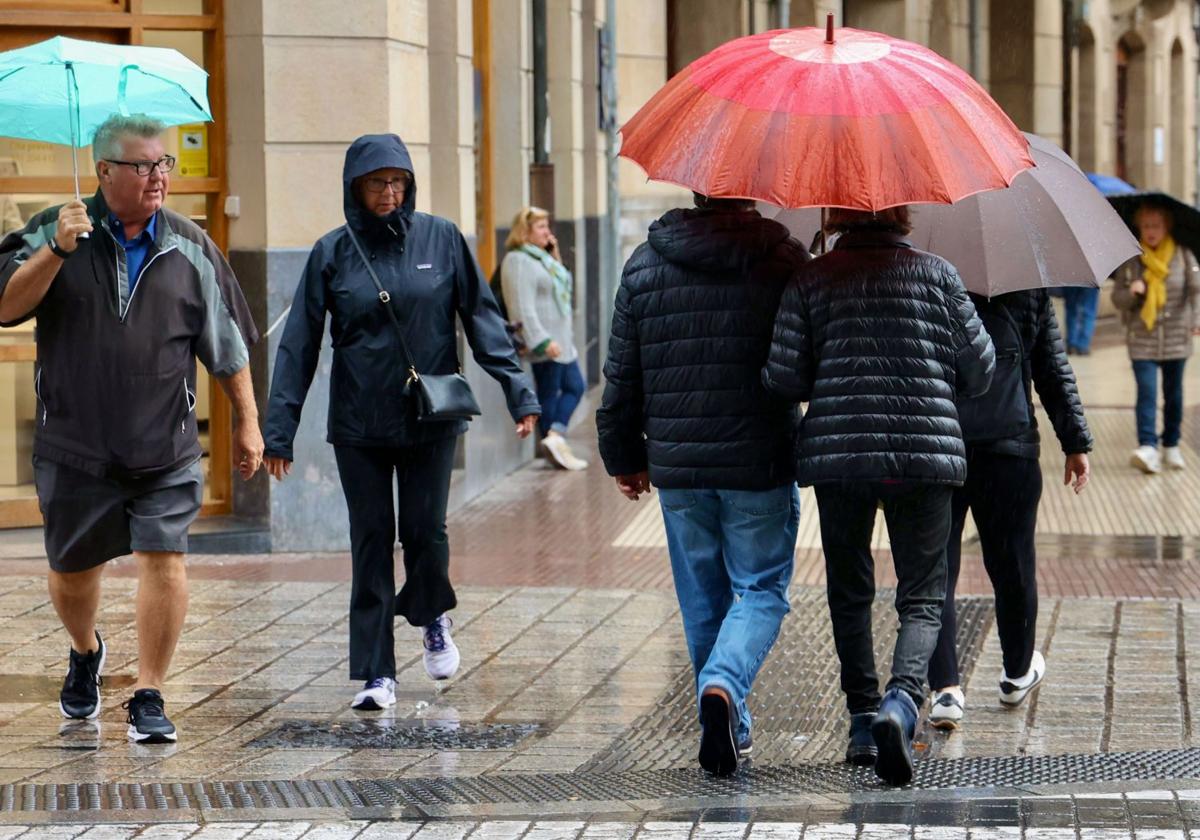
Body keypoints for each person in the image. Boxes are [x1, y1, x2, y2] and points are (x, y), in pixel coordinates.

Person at [0, 114, 263, 744]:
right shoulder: (51, 229)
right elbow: (6, 305)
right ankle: (86, 650)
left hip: (164, 446)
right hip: (74, 446)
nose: (157, 178)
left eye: (164, 164)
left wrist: (249, 422)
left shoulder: (191, 245)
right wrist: (58, 249)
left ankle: (149, 692)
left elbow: (227, 345)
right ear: (106, 172)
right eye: (143, 166)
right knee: (71, 573)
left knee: (165, 557)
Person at [263, 134, 540, 712]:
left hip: (431, 418)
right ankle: (375, 672)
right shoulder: (332, 253)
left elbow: (483, 320)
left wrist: (520, 394)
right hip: (359, 424)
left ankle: (431, 612)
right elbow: (298, 347)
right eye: (376, 183)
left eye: (398, 182)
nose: (389, 193)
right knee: (369, 541)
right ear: (355, 189)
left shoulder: (442, 240)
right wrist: (279, 431)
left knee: (425, 532)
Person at [763, 206, 994, 786]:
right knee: (923, 591)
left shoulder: (811, 278)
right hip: (922, 453)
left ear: (836, 214)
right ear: (903, 213)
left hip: (841, 458)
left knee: (849, 588)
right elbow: (981, 368)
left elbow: (784, 378)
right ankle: (901, 701)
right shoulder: (939, 275)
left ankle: (864, 719)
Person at [598, 194, 808, 776]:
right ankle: (722, 684)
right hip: (759, 459)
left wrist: (623, 455)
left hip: (679, 465)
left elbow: (623, 373)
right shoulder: (782, 258)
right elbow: (801, 361)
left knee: (701, 600)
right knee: (761, 588)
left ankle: (728, 725)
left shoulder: (645, 263)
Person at [926, 289, 1093, 731]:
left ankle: (945, 689)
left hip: (939, 447)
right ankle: (1018, 672)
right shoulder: (1026, 284)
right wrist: (1075, 442)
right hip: (1010, 449)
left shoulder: (925, 275)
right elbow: (1052, 368)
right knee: (1013, 563)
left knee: (936, 568)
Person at [1112, 203, 1200, 474]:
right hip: (1142, 339)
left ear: (1166, 227)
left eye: (1156, 226)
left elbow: (1196, 291)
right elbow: (1117, 298)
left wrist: (1196, 320)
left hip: (1176, 337)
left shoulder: (1183, 255)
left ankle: (1171, 444)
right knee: (1147, 394)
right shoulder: (1131, 260)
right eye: (1146, 226)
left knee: (1173, 396)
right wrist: (1132, 291)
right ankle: (1148, 446)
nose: (1151, 231)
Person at [500, 207, 587, 470]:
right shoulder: (518, 261)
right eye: (540, 227)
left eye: (547, 226)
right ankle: (554, 445)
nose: (548, 232)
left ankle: (554, 437)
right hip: (545, 340)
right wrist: (540, 340)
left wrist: (554, 254)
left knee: (575, 386)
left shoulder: (541, 259)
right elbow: (520, 307)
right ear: (524, 232)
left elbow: (561, 284)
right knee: (549, 391)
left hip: (561, 338)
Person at [1061, 285, 1100, 355]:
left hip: (1070, 279)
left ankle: (1071, 343)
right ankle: (1083, 345)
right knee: (1089, 311)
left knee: (1071, 309)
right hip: (1090, 281)